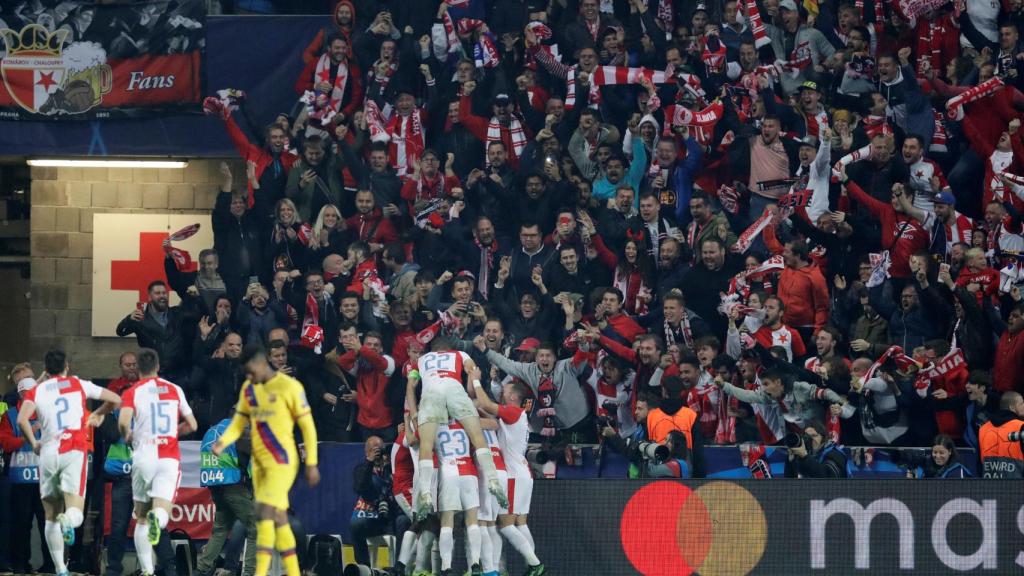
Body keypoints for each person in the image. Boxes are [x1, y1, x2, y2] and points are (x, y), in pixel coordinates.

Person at [212, 345, 321, 576]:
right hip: (259, 468)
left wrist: (310, 462)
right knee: (254, 523)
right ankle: (242, 569)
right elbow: (238, 423)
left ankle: (293, 570)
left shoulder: (291, 387)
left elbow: (307, 426)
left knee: (283, 521)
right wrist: (222, 443)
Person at [16, 349, 121, 576]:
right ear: (67, 366)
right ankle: (69, 519)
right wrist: (98, 414)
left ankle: (60, 569)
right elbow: (115, 399)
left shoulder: (38, 390)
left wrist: (34, 442)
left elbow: (22, 419)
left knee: (50, 516)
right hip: (73, 450)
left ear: (46, 369)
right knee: (75, 510)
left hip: (48, 452)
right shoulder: (78, 384)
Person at [406, 336, 506, 521]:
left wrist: (414, 414)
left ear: (432, 351)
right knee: (477, 437)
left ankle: (426, 493)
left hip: (431, 391)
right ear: (449, 348)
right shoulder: (461, 353)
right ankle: (493, 481)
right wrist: (473, 383)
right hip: (454, 388)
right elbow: (472, 371)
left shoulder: (420, 360)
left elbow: (411, 387)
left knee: (426, 445)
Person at [117, 348, 198, 576]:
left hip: (144, 456)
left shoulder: (133, 391)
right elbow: (192, 424)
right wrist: (173, 432)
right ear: (158, 366)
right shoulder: (174, 389)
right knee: (160, 511)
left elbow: (123, 422)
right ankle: (158, 519)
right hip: (168, 458)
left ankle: (147, 571)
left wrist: (129, 436)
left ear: (138, 369)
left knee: (141, 518)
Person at [470, 376, 547, 576]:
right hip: (523, 472)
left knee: (504, 525)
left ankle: (533, 564)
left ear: (513, 396)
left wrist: (477, 381)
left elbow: (487, 404)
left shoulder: (513, 411)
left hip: (513, 473)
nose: (501, 392)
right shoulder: (517, 415)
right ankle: (531, 566)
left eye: (504, 390)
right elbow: (488, 413)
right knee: (520, 523)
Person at [196, 411, 256, 576]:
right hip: (234, 485)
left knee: (221, 529)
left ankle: (201, 569)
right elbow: (245, 458)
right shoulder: (240, 429)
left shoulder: (212, 430)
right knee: (256, 528)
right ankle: (250, 573)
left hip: (215, 486)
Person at [783, 419, 852, 478]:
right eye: (806, 436)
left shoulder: (835, 454)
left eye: (813, 436)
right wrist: (790, 462)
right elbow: (790, 485)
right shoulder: (805, 455)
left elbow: (828, 479)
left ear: (823, 436)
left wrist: (805, 457)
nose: (810, 440)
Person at [978, 391, 1024, 478]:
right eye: (1021, 403)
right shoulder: (1021, 426)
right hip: (1017, 487)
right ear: (1012, 408)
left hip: (988, 486)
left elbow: (978, 464)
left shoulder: (983, 429)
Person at [897, 434, 972, 478]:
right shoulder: (928, 462)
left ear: (950, 451)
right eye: (935, 452)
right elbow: (911, 458)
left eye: (941, 453)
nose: (937, 456)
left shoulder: (958, 471)